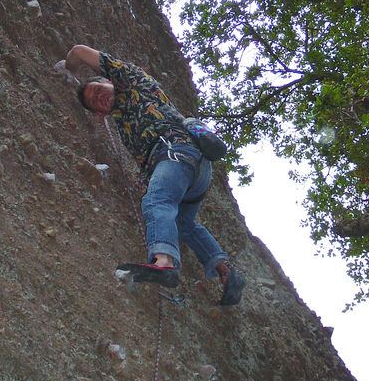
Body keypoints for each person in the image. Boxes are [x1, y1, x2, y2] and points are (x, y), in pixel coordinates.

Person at [61, 44, 246, 306]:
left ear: (108, 80)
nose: (100, 96)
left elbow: (79, 51)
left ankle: (164, 263)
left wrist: (67, 67)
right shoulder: (123, 122)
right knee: (183, 223)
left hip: (176, 152)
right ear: (99, 114)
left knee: (157, 201)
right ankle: (227, 273)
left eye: (99, 89)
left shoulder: (130, 81)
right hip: (192, 169)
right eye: (94, 101)